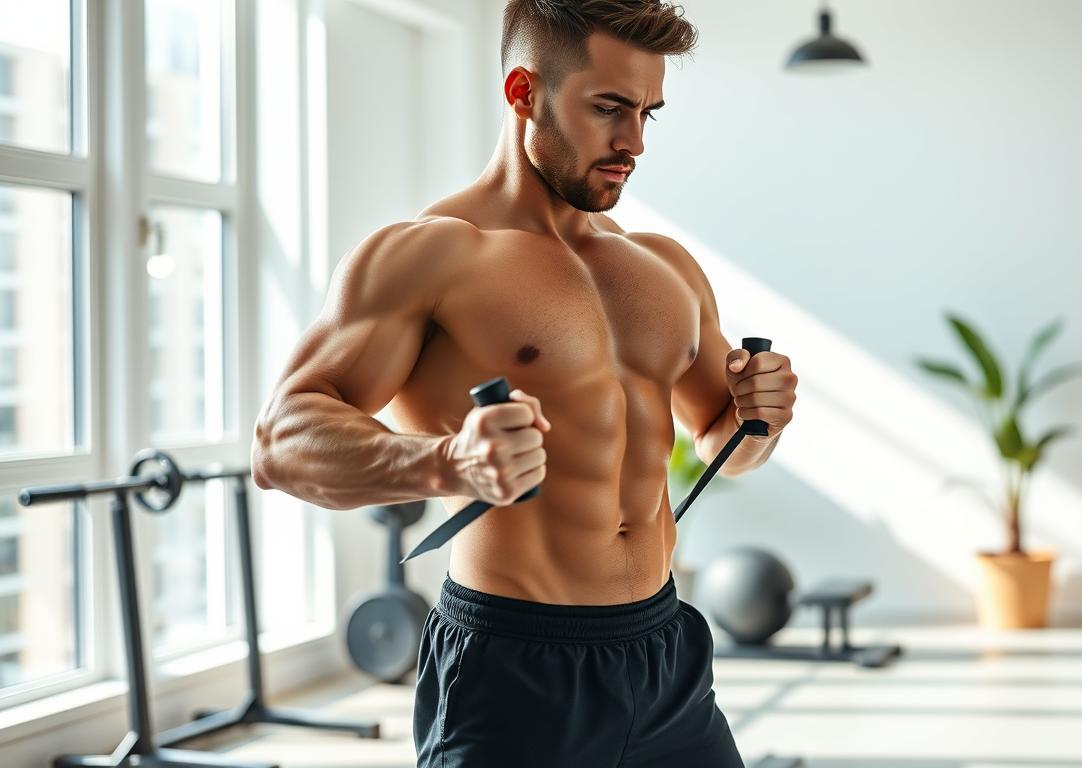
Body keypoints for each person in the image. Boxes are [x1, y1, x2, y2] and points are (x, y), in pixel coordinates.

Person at [251, 1, 797, 765]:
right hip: (512, 668)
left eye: (648, 112)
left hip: (666, 654)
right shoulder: (431, 256)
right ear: (524, 92)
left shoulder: (666, 267)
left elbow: (722, 444)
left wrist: (756, 419)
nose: (634, 141)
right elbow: (280, 443)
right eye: (609, 107)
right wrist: (444, 463)